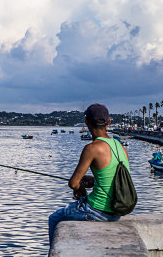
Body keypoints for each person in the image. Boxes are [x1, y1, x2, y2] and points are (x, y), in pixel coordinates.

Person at [47, 103, 130, 248]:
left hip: (97, 211)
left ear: (86, 122)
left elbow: (73, 183)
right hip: (117, 212)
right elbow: (114, 179)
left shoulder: (92, 148)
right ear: (109, 122)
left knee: (54, 219)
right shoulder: (119, 146)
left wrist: (79, 185)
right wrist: (92, 181)